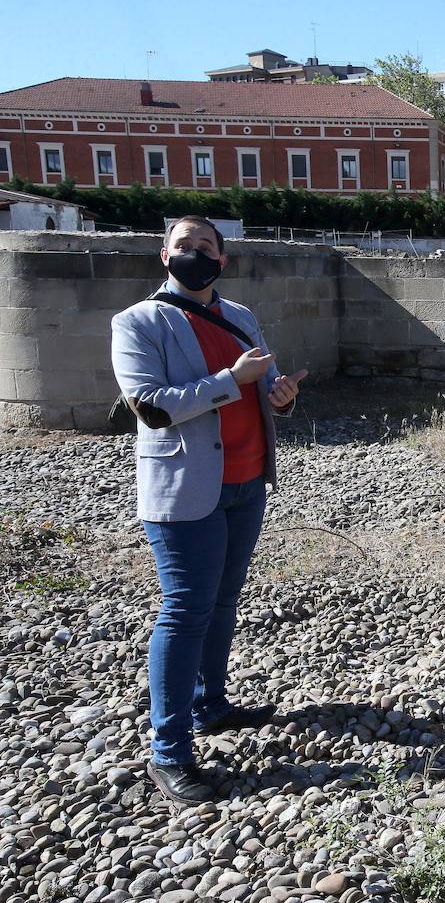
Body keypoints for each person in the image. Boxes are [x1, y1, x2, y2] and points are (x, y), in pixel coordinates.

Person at [111, 216, 309, 806]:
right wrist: (231, 379)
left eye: (205, 247)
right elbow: (149, 406)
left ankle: (211, 707)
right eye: (183, 246)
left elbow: (265, 383)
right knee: (184, 612)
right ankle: (168, 754)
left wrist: (282, 394)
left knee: (223, 602)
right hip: (185, 490)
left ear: (222, 259)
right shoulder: (139, 322)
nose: (194, 254)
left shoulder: (241, 316)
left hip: (247, 482)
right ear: (163, 255)